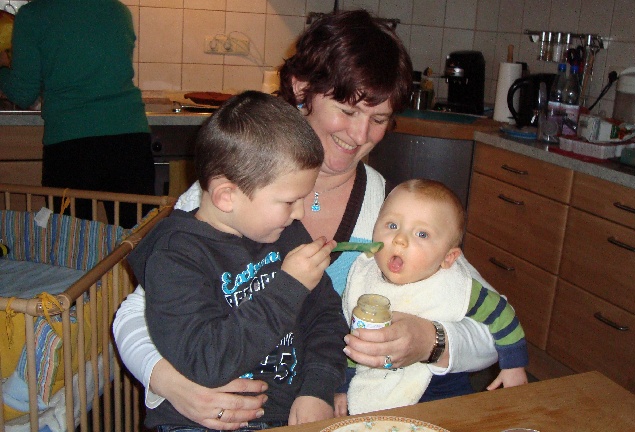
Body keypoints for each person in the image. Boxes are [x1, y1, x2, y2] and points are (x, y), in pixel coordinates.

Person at [113, 9, 499, 430]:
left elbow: (490, 329)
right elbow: (135, 314)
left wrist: (430, 341)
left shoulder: (392, 211)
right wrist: (171, 384)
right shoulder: (235, 188)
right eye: (347, 110)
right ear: (302, 89)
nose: (360, 135)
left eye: (379, 119)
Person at [127, 91, 348, 431]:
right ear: (227, 196)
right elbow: (207, 362)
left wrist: (318, 389)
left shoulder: (286, 234)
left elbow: (326, 316)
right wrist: (288, 287)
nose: (300, 213)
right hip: (198, 423)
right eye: (289, 201)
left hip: (284, 414)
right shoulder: (175, 258)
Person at [340, 179, 529, 415]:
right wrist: (343, 386)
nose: (400, 239)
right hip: (374, 386)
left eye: (422, 233)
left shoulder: (453, 286)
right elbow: (351, 338)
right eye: (392, 225)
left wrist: (514, 364)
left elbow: (501, 313)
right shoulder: (363, 277)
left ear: (448, 258)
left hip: (443, 391)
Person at [0, 0, 154, 228]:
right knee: (137, 237)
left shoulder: (34, 15)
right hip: (130, 139)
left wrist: (3, 69)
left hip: (72, 144)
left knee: (71, 239)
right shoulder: (117, 10)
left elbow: (23, 93)